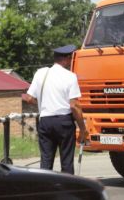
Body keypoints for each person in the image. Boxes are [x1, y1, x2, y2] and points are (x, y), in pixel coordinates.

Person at [23, 44, 88, 175]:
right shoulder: (70, 76)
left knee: (46, 161)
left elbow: (29, 98)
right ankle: (67, 190)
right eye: (70, 58)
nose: (70, 61)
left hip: (45, 121)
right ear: (66, 59)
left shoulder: (41, 73)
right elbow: (74, 105)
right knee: (66, 162)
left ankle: (45, 190)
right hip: (64, 122)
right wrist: (82, 129)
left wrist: (43, 103)